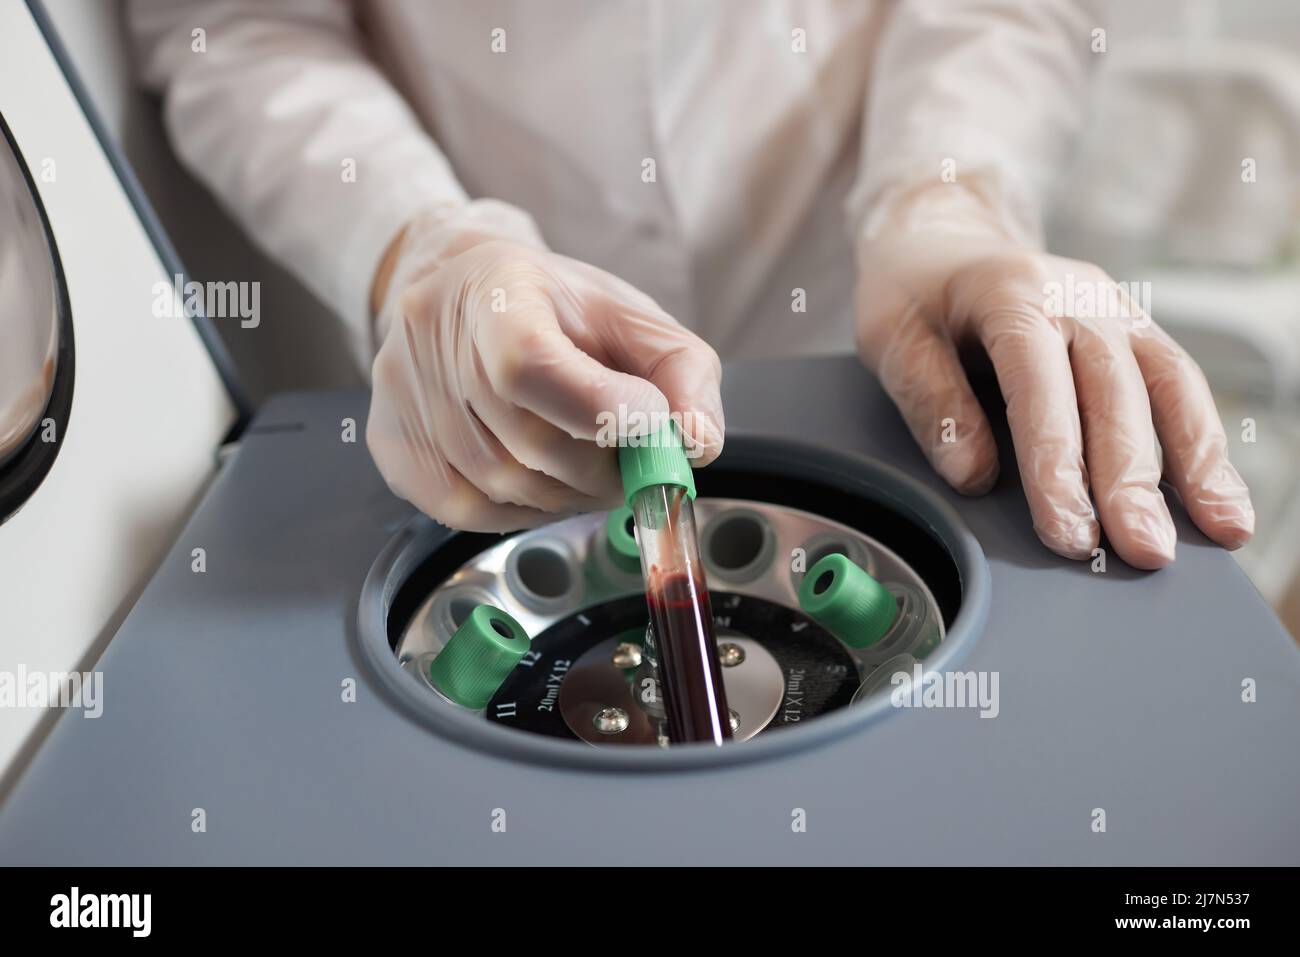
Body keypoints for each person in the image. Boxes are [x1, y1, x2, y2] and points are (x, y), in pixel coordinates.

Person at [127, 0, 1254, 569]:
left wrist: (948, 203)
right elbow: (237, 23)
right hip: (475, 362)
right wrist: (417, 245)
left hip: (870, 306)